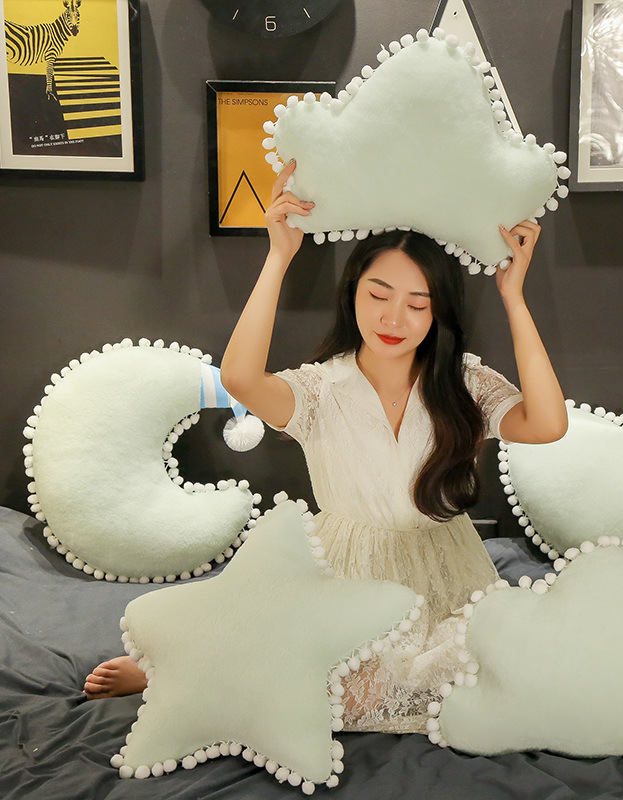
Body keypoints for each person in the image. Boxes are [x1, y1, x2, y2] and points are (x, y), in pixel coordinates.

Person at [84, 161, 568, 733]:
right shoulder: (321, 389)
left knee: (475, 672)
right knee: (335, 683)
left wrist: (514, 299)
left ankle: (225, 666)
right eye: (379, 294)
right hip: (345, 568)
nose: (394, 318)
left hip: (443, 569)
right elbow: (240, 378)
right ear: (352, 292)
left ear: (438, 313)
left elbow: (548, 424)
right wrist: (279, 256)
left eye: (418, 304)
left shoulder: (464, 383)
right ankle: (180, 666)